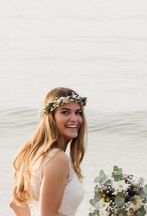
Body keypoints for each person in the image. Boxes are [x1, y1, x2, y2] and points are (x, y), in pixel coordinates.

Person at [10, 87, 87, 216]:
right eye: (65, 112)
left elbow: (16, 204)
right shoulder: (58, 158)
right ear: (50, 117)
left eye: (78, 112)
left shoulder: (32, 154)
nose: (74, 118)